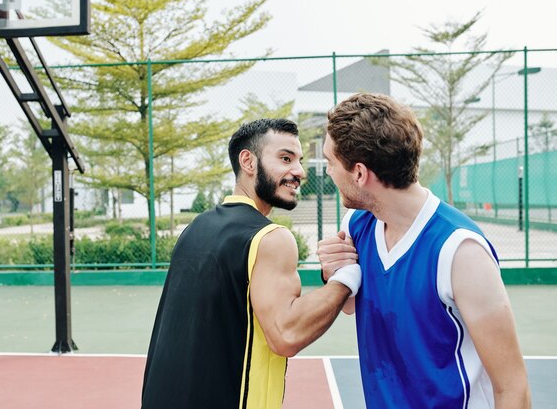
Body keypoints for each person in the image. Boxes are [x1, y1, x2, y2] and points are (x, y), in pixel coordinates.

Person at [317, 92, 531, 408]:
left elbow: (513, 388)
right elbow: (350, 305)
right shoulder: (357, 224)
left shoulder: (460, 251)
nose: (328, 172)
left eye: (329, 162)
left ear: (360, 174)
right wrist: (333, 270)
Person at [141, 118, 362, 409]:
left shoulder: (195, 228)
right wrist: (345, 280)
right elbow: (286, 333)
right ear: (248, 161)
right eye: (285, 158)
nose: (298, 172)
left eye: (299, 161)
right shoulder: (271, 238)